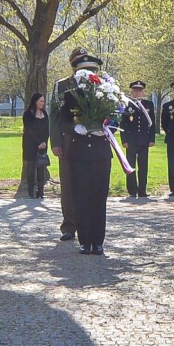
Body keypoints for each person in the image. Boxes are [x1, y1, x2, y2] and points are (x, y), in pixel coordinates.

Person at [55, 51, 118, 255]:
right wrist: (75, 128)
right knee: (80, 197)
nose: (88, 75)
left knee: (98, 198)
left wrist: (106, 129)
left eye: (92, 71)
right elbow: (62, 121)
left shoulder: (107, 94)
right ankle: (84, 240)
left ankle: (98, 241)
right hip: (78, 154)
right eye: (84, 72)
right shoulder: (71, 95)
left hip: (100, 154)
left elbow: (117, 119)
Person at [48, 49, 90, 241]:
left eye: (83, 60)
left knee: (88, 185)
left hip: (89, 143)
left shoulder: (94, 83)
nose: (79, 64)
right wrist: (56, 142)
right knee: (68, 185)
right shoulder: (62, 85)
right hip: (68, 142)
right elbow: (55, 116)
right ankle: (69, 226)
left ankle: (87, 226)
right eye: (76, 61)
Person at [118, 81, 156, 200]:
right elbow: (123, 123)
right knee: (130, 166)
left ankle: (142, 190)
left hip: (144, 140)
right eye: (135, 90)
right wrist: (124, 140)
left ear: (143, 92)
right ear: (132, 92)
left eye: (140, 90)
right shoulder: (127, 104)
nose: (137, 92)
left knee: (143, 166)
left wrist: (152, 139)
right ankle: (132, 190)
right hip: (131, 140)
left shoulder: (148, 104)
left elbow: (152, 123)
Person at [21, 93, 50, 199]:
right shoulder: (28, 114)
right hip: (31, 145)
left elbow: (47, 129)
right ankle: (31, 191)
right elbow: (29, 130)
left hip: (42, 145)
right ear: (35, 101)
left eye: (43, 101)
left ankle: (40, 191)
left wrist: (44, 142)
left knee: (41, 167)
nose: (42, 103)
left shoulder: (44, 113)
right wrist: (38, 143)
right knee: (31, 168)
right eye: (41, 101)